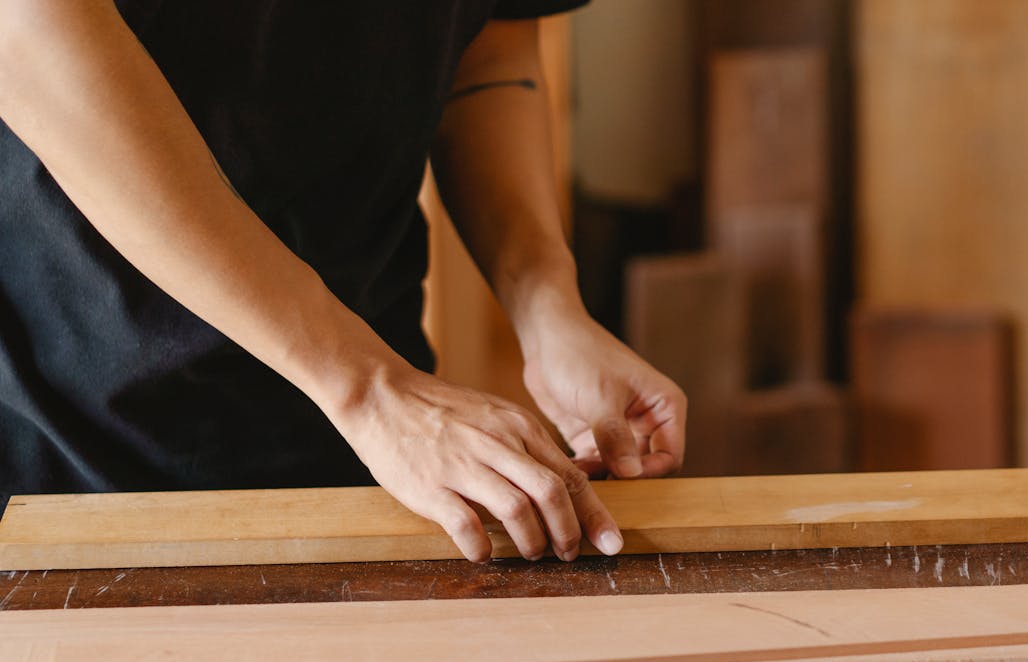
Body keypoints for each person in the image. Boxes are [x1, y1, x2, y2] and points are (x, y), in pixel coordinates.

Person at [0, 1, 687, 562]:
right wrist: (364, 385)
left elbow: (490, 51)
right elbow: (30, 34)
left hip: (387, 454)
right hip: (72, 449)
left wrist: (546, 304)